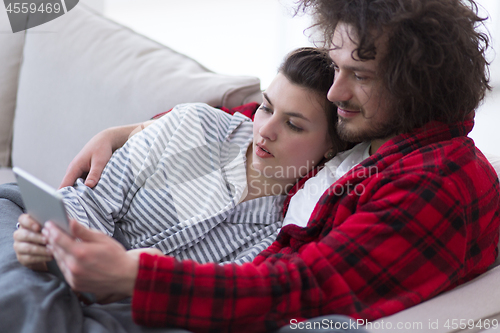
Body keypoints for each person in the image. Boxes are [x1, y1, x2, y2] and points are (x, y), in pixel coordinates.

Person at [18, 0, 500, 331]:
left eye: (361, 76)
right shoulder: (375, 127)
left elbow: (303, 288)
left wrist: (132, 277)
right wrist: (129, 132)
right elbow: (255, 117)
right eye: (338, 68)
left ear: (415, 85)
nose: (336, 93)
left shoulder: (433, 184)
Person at [14, 47, 348, 268]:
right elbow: (91, 202)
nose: (266, 130)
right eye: (266, 107)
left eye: (292, 124)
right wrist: (49, 235)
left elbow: (214, 297)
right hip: (69, 246)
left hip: (128, 306)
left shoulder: (282, 232)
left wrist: (126, 273)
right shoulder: (195, 126)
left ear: (329, 147)